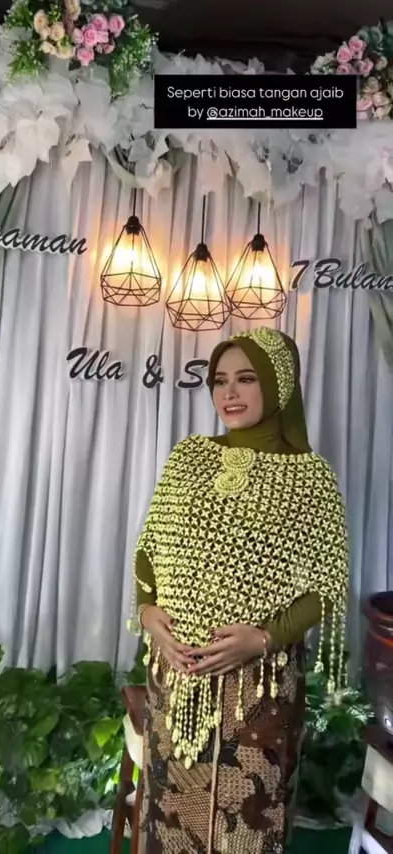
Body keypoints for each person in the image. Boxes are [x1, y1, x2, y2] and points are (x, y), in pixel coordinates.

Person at [128, 326, 349, 854]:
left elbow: (327, 587)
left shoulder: (310, 478)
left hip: (259, 685)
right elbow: (150, 551)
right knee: (168, 813)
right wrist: (148, 613)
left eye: (246, 379)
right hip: (177, 674)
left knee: (248, 821)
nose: (229, 392)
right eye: (219, 381)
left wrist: (262, 638)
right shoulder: (189, 458)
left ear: (278, 384)